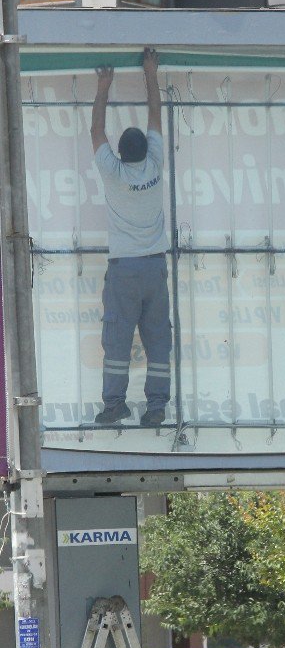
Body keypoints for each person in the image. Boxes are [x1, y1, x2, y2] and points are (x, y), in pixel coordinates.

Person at [91, 47, 171, 427]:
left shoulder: (114, 174)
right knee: (157, 341)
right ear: (143, 151)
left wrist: (103, 86)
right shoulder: (155, 166)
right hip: (155, 268)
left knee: (118, 342)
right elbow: (155, 112)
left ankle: (114, 405)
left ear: (120, 155)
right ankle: (156, 407)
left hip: (123, 271)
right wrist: (150, 72)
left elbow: (95, 131)